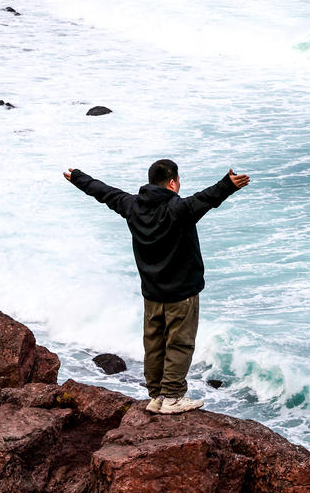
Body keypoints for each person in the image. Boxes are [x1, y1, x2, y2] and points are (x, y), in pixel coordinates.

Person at [64, 159, 250, 414]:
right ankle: (172, 397)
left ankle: (156, 396)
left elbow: (105, 192)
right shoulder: (179, 209)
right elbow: (206, 199)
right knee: (179, 344)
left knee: (154, 344)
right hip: (181, 294)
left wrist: (78, 178)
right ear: (172, 183)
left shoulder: (132, 205)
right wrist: (228, 184)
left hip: (152, 292)